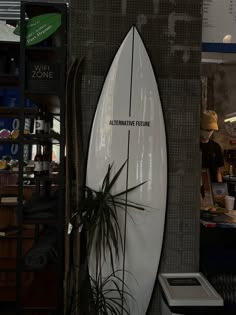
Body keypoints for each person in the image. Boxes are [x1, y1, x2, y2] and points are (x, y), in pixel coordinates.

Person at [200, 110, 224, 183]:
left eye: (210, 130)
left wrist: (219, 188)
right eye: (206, 129)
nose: (208, 132)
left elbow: (218, 171)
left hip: (213, 187)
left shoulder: (216, 147)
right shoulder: (191, 147)